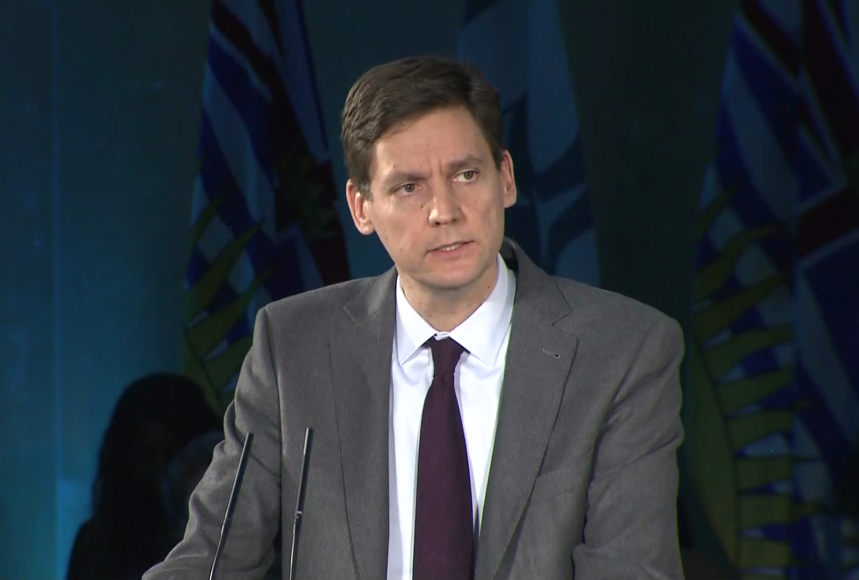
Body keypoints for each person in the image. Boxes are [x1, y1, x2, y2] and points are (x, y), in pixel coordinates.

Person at [145, 55, 685, 579]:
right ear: (361, 207)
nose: (443, 211)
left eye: (467, 175)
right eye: (409, 187)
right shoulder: (294, 348)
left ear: (507, 179)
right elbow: (209, 560)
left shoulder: (622, 353)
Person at [67, 373, 220, 580]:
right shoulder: (96, 546)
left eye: (173, 454)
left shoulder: (236, 534)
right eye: (146, 455)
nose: (162, 467)